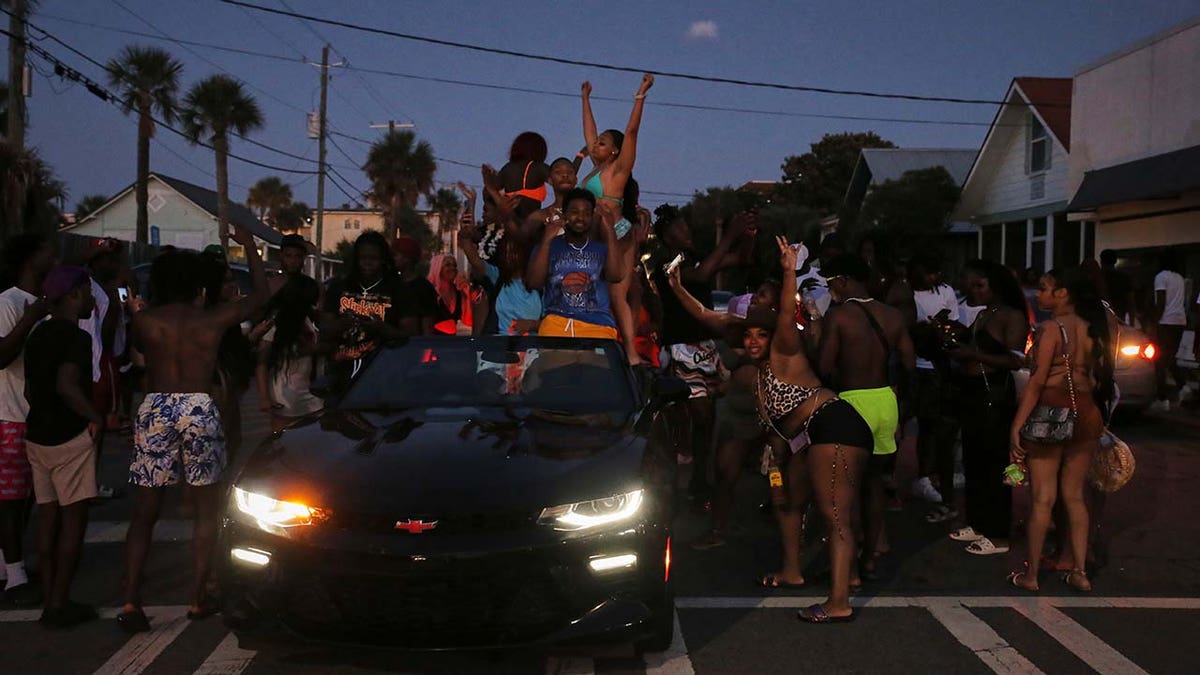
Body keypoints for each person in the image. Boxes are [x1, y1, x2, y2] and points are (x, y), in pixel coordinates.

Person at [119, 222, 269, 633]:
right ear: (197, 286)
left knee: (144, 512)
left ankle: (132, 599)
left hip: (157, 407)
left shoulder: (146, 322)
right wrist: (251, 247)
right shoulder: (212, 320)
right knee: (207, 510)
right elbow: (262, 296)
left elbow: (138, 359)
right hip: (199, 406)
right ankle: (198, 596)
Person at [756, 237, 871, 623]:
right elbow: (708, 316)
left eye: (760, 333)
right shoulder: (756, 378)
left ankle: (839, 602)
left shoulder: (784, 350)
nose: (754, 340)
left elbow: (786, 315)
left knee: (835, 513)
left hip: (835, 424)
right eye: (746, 335)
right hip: (812, 434)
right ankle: (801, 571)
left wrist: (789, 271)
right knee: (793, 500)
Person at [1009, 267, 1114, 593]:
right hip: (1087, 412)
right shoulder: (1094, 329)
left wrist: (1017, 425)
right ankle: (1080, 570)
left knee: (1042, 498)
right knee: (1075, 496)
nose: (1039, 295)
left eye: (1044, 289)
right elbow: (1098, 380)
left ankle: (1032, 575)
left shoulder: (1051, 329)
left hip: (1053, 411)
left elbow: (1037, 382)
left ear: (1062, 293)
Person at [810, 253, 915, 576]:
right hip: (885, 401)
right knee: (874, 485)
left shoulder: (840, 317)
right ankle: (869, 557)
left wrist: (813, 333)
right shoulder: (893, 316)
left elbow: (823, 367)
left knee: (846, 490)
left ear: (842, 281)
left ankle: (849, 566)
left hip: (852, 402)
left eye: (831, 283)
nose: (831, 289)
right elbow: (910, 366)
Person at [665, 270, 781, 550]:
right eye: (756, 292)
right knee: (725, 474)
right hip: (739, 420)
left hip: (776, 421)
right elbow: (703, 314)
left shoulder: (784, 332)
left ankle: (792, 539)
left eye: (763, 294)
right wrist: (677, 287)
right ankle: (717, 531)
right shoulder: (736, 325)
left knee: (780, 482)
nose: (754, 297)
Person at [651, 205, 755, 508]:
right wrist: (729, 237)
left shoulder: (695, 257)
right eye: (679, 230)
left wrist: (748, 235)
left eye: (686, 227)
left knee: (706, 422)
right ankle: (692, 483)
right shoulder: (665, 265)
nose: (686, 233)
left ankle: (698, 481)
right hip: (681, 348)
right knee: (699, 417)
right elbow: (703, 274)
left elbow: (742, 260)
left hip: (705, 346)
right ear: (666, 238)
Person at [22, 266, 103, 627]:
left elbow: (29, 390)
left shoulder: (37, 334)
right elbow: (67, 384)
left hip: (36, 434)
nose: (90, 299)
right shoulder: (76, 337)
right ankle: (59, 604)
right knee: (74, 521)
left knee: (46, 518)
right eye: (86, 291)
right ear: (72, 295)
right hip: (68, 436)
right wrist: (98, 417)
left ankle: (48, 597)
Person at [944, 260, 1029, 556]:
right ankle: (979, 522)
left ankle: (998, 532)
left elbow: (1016, 360)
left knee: (993, 463)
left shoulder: (1011, 315)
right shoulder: (986, 313)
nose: (974, 291)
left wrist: (973, 354)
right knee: (974, 460)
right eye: (971, 286)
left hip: (994, 394)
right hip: (972, 393)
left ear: (996, 286)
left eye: (980, 285)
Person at [0, 233, 53, 605]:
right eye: (47, 247)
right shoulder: (9, 301)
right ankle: (14, 574)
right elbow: (2, 355)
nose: (55, 254)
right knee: (9, 501)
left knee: (24, 499)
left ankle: (8, 565)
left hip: (38, 416)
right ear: (32, 258)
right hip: (9, 414)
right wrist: (30, 319)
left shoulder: (43, 303)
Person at [322, 232, 424, 380]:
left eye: (373, 258)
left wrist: (382, 328)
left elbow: (412, 334)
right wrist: (340, 325)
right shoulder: (338, 287)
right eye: (363, 258)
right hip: (341, 372)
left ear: (383, 259)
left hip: (385, 373)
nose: (367, 263)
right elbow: (323, 331)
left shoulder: (398, 290)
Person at [526, 188, 623, 339]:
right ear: (564, 214)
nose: (580, 218)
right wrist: (547, 239)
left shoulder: (602, 248)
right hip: (557, 324)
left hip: (597, 325)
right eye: (574, 212)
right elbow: (534, 283)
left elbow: (616, 276)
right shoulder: (547, 246)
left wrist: (609, 230)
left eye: (586, 213)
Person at [907, 252, 961, 518]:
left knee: (938, 424)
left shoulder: (946, 291)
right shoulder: (906, 292)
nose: (934, 278)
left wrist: (937, 326)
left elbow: (952, 323)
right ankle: (922, 476)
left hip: (939, 366)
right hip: (915, 365)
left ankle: (934, 476)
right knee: (921, 423)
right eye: (929, 273)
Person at [79, 238, 125, 500]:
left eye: (115, 258)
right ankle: (87, 486)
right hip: (97, 361)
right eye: (108, 258)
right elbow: (105, 332)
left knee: (101, 426)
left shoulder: (114, 287)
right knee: (94, 423)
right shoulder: (90, 287)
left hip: (111, 358)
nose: (113, 263)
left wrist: (122, 292)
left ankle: (92, 482)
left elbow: (125, 306)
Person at [257, 278, 323, 431]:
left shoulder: (307, 319)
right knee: (283, 443)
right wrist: (264, 397)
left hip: (311, 395)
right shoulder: (275, 324)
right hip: (285, 396)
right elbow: (262, 363)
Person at [461, 221, 541, 336]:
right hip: (500, 348)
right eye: (505, 251)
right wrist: (465, 239)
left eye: (514, 251)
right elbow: (476, 262)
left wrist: (531, 325)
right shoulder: (498, 277)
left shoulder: (539, 284)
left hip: (532, 350)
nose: (508, 255)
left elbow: (553, 323)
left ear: (526, 253)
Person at [1150, 252, 1187, 411]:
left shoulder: (1161, 277)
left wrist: (1154, 322)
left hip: (1166, 321)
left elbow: (1161, 302)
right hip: (1180, 320)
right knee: (1169, 357)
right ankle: (1183, 386)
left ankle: (1162, 398)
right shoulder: (1179, 278)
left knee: (1159, 360)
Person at [428, 254, 471, 335]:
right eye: (447, 265)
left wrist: (467, 295)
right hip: (433, 341)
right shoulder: (431, 292)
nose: (452, 268)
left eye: (454, 265)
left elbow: (468, 322)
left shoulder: (458, 292)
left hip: (451, 343)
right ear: (438, 268)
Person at [1098, 250, 1134, 323]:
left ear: (1101, 261)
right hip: (1118, 316)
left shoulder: (1097, 278)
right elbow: (1130, 301)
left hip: (1100, 317)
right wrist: (1131, 322)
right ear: (1115, 261)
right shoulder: (1123, 278)